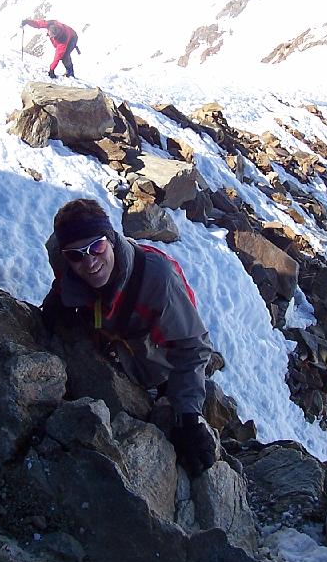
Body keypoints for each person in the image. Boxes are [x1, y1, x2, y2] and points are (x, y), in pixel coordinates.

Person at [41, 198, 216, 476]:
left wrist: (188, 418)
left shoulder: (158, 280)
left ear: (110, 240)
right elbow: (64, 274)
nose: (89, 261)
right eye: (76, 255)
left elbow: (192, 347)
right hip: (107, 338)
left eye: (96, 247)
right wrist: (58, 296)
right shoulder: (60, 252)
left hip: (153, 359)